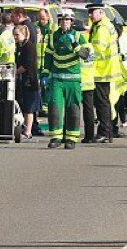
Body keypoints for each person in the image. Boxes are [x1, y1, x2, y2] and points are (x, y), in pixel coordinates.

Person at [43, 9, 89, 149]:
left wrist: (75, 45)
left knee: (73, 109)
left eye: (67, 20)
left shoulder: (78, 36)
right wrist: (45, 74)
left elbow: (86, 55)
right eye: (62, 20)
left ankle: (71, 138)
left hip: (73, 80)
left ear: (72, 21)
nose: (65, 22)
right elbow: (48, 56)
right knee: (54, 108)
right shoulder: (53, 36)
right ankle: (55, 137)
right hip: (57, 79)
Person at [86, 3, 120, 143]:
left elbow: (97, 50)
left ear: (101, 12)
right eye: (89, 13)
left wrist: (84, 51)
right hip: (105, 69)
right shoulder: (104, 25)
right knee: (103, 101)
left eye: (93, 12)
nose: (90, 15)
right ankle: (107, 131)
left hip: (102, 70)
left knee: (101, 102)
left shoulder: (102, 28)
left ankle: (104, 132)